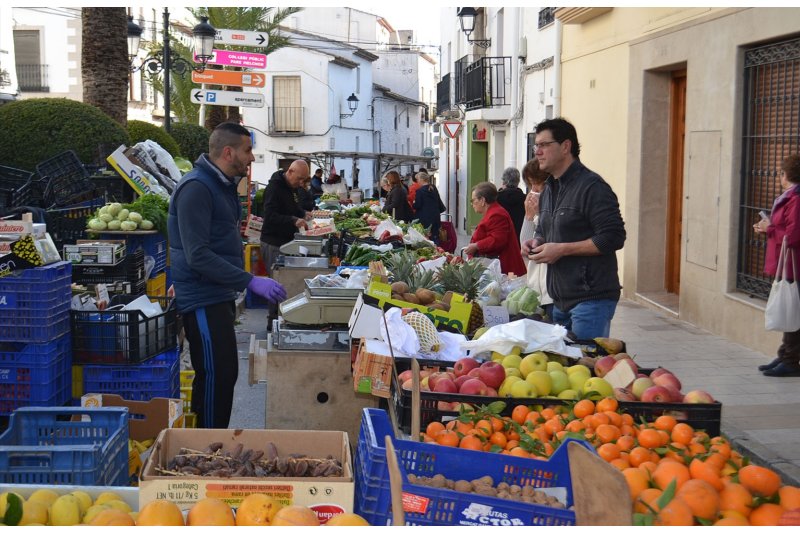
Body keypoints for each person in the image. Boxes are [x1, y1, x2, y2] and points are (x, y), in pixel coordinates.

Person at [168, 122, 287, 429]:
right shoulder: (197, 188)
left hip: (216, 293)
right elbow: (197, 254)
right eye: (248, 150)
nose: (252, 157)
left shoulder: (220, 185)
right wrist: (250, 280)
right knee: (216, 376)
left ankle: (210, 442)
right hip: (202, 298)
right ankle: (207, 446)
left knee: (223, 374)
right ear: (228, 152)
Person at [521, 117, 626, 340]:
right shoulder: (549, 189)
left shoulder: (592, 187)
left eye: (544, 145)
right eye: (536, 146)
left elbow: (613, 237)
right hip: (559, 301)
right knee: (565, 360)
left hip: (591, 301)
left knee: (585, 359)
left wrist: (562, 249)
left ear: (565, 146)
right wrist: (536, 241)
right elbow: (545, 230)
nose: (537, 152)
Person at [753, 154, 800, 377]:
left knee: (793, 312)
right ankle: (784, 355)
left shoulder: (796, 199)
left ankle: (791, 361)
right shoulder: (790, 197)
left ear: (786, 174)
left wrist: (769, 228)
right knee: (790, 310)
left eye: (781, 173)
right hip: (787, 262)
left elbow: (793, 235)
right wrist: (767, 228)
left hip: (794, 265)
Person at [260, 160, 312, 325]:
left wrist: (303, 214)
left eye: (304, 180)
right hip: (273, 242)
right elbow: (270, 216)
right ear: (290, 171)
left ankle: (282, 319)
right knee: (276, 283)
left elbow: (292, 208)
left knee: (283, 282)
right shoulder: (274, 188)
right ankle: (272, 321)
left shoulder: (291, 187)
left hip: (285, 242)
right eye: (299, 178)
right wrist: (293, 220)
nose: (301, 183)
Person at [463, 182, 527, 276]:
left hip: (503, 269)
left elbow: (497, 240)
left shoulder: (497, 214)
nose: (472, 204)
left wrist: (476, 246)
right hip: (496, 267)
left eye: (473, 200)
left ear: (482, 200)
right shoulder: (493, 212)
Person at [518, 159, 553, 318]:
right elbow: (525, 247)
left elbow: (550, 235)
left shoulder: (554, 209)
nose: (533, 190)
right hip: (538, 290)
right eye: (530, 184)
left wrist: (540, 213)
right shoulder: (540, 212)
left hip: (551, 290)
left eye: (536, 184)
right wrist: (529, 216)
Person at [413, 172, 445, 243]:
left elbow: (417, 205)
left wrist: (413, 203)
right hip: (435, 216)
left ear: (422, 179)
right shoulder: (433, 188)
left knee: (426, 238)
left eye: (417, 179)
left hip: (425, 218)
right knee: (435, 235)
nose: (417, 181)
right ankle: (437, 248)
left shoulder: (420, 191)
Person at [497, 167, 526, 240]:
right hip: (519, 237)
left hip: (501, 237)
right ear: (518, 181)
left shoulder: (496, 198)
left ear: (504, 181)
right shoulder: (525, 199)